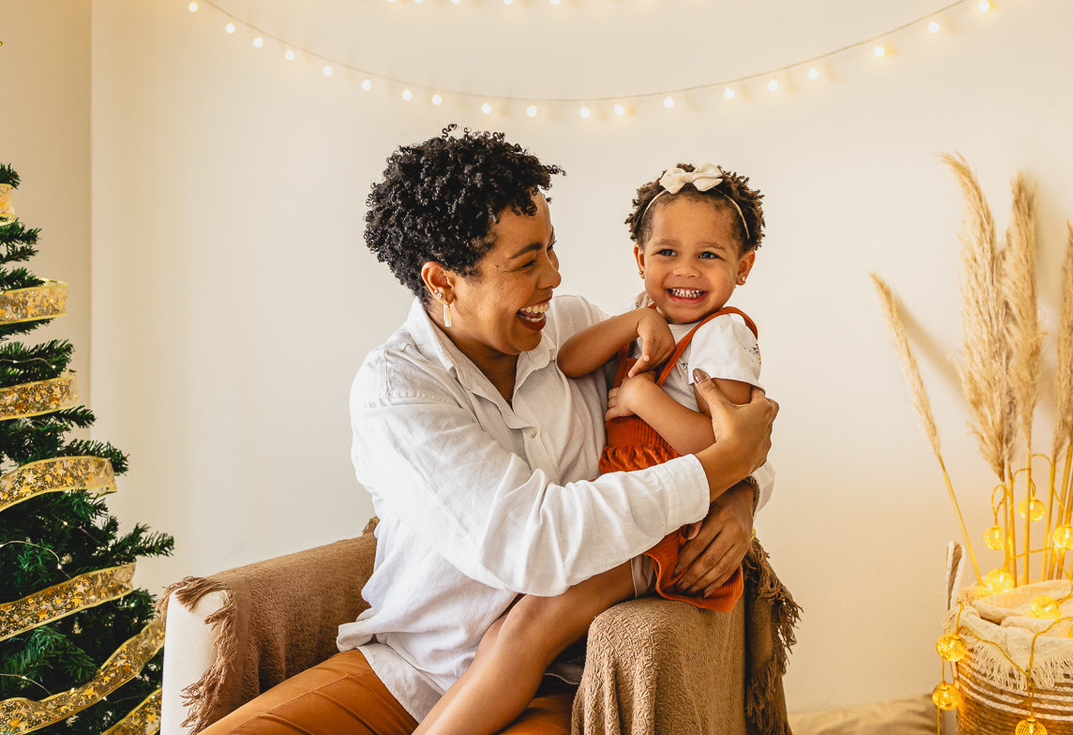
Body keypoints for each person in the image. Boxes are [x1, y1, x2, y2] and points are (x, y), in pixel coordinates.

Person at [198, 128, 777, 735]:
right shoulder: (396, 391)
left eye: (552, 249)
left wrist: (743, 493)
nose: (554, 277)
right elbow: (535, 545)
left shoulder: (576, 326)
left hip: (556, 677)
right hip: (417, 668)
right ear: (443, 280)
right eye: (527, 263)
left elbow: (723, 425)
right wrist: (725, 469)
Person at [413, 161, 771, 735]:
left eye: (708, 255)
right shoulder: (403, 386)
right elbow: (571, 361)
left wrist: (643, 396)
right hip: (634, 509)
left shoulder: (726, 336)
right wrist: (635, 319)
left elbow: (725, 448)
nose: (685, 271)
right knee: (516, 632)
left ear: (743, 266)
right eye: (667, 253)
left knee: (528, 627)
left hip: (667, 528)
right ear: (639, 258)